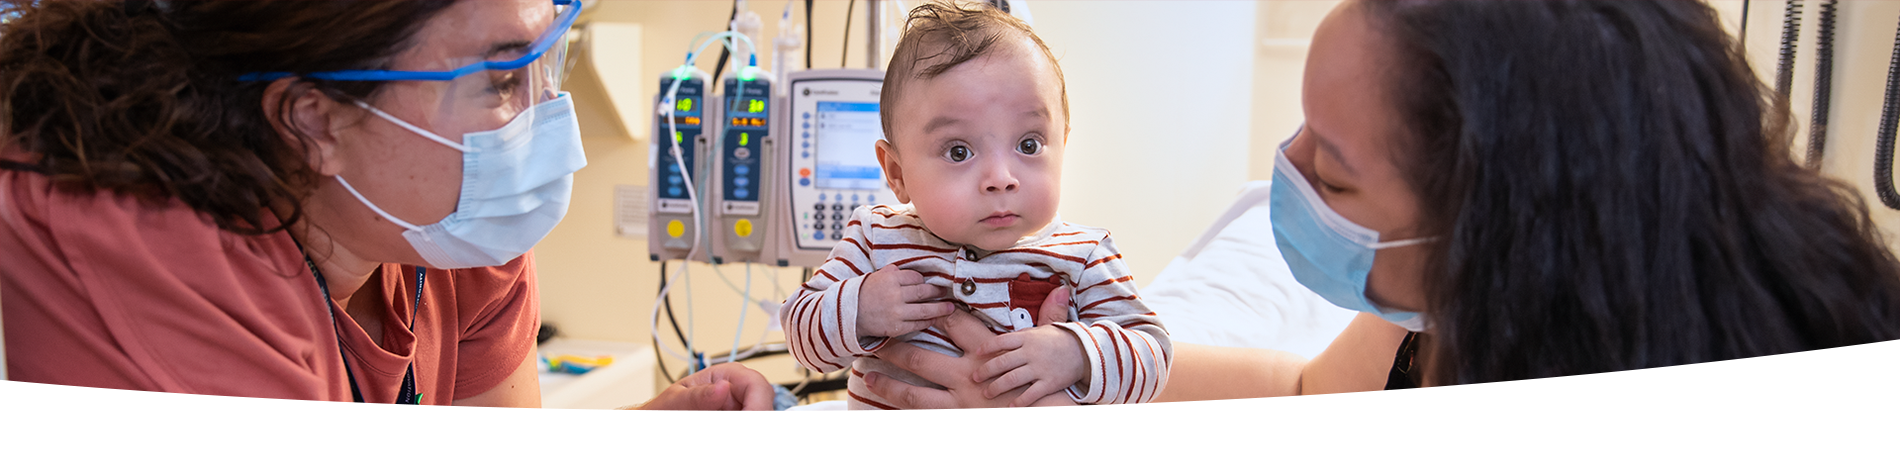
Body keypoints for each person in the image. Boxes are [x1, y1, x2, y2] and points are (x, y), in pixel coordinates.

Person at [858, 0, 1900, 408]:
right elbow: (1306, 378)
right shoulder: (1453, 313)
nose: (1288, 173)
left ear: (1495, 221)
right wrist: (1074, 374)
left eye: (1335, 171)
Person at [0, 0, 772, 410]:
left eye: (550, 56)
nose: (547, 122)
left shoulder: (462, 229)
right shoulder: (139, 246)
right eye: (504, 81)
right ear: (314, 120)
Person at [780, 2, 1169, 410]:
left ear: (1063, 148)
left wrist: (1075, 353)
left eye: (1029, 144)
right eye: (959, 151)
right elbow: (801, 336)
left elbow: (1154, 356)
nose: (1001, 177)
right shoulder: (875, 239)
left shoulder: (1084, 256)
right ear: (896, 173)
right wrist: (860, 309)